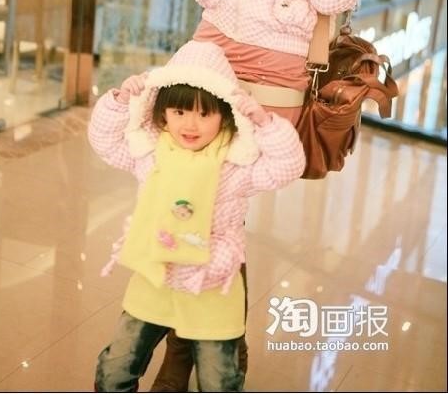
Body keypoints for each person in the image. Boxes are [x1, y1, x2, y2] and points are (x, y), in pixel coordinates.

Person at [151, 0, 376, 392]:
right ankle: (208, 344)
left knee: (219, 205)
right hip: (211, 47)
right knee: (186, 194)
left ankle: (193, 348)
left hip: (276, 64)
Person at [88, 40, 306, 393]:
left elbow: (287, 167)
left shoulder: (236, 165)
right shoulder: (151, 153)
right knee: (116, 369)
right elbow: (105, 142)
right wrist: (120, 101)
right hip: (154, 278)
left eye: (204, 114)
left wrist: (265, 124)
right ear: (162, 112)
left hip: (212, 288)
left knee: (218, 381)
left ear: (225, 115)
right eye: (179, 111)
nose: (190, 124)